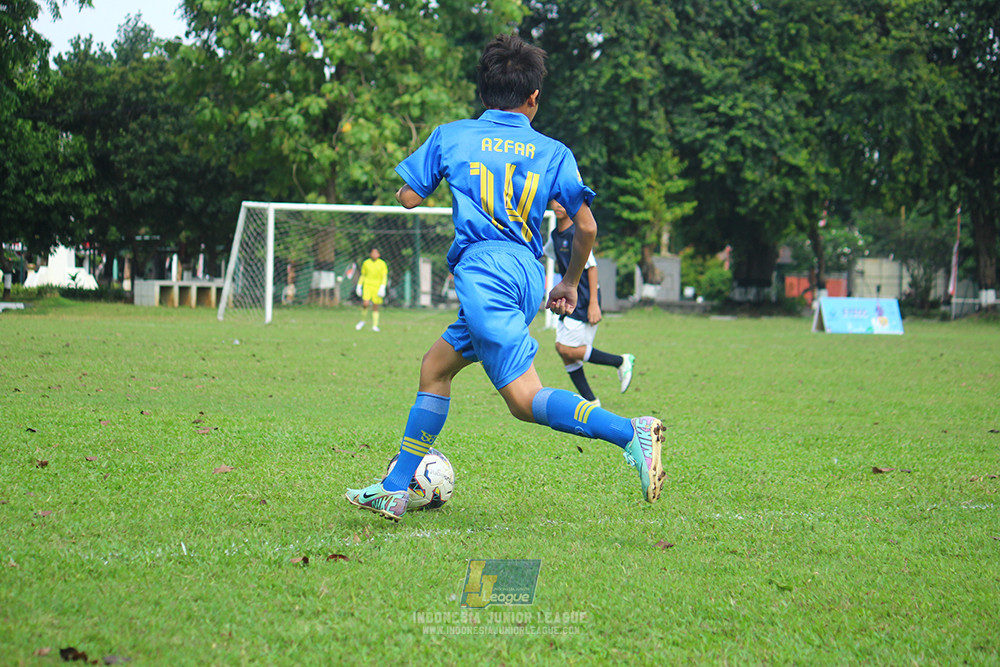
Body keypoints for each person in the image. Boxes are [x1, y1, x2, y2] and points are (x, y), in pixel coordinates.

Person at [345, 33, 664, 522]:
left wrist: (428, 180)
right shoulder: (554, 151)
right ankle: (392, 488)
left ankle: (630, 432)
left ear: (482, 91)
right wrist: (570, 283)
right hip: (525, 273)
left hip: (483, 272)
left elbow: (409, 197)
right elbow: (586, 226)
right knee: (435, 367)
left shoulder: (452, 135)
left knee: (523, 399)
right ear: (533, 97)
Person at [543, 200, 635, 406]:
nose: (558, 205)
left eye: (563, 201)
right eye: (555, 201)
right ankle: (591, 400)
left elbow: (592, 267)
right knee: (562, 350)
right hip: (568, 298)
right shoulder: (555, 236)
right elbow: (544, 252)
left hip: (584, 298)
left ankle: (621, 361)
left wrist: (594, 303)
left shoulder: (578, 234)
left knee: (566, 349)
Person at [354, 247, 388, 332]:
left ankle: (375, 325)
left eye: (376, 253)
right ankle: (362, 320)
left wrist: (383, 287)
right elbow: (363, 275)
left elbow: (384, 276)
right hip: (367, 285)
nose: (374, 255)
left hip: (377, 286)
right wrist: (359, 285)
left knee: (375, 305)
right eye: (373, 253)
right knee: (365, 303)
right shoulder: (366, 263)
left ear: (379, 255)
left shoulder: (382, 264)